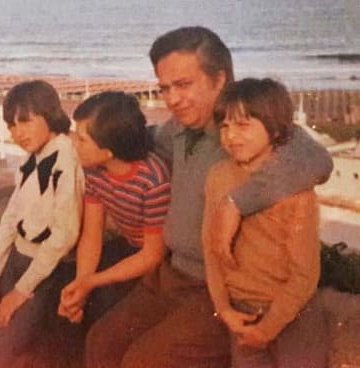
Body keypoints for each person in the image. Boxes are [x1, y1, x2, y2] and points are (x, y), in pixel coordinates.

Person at [84, 26, 333, 368]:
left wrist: (237, 202)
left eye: (183, 85)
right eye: (164, 88)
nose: (172, 99)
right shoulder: (180, 128)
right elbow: (139, 140)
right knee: (102, 342)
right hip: (170, 276)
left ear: (220, 80)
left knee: (145, 361)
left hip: (219, 288)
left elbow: (317, 159)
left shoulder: (254, 134)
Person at [203, 78, 327, 368]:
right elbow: (211, 248)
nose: (231, 136)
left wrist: (267, 329)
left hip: (294, 317)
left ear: (274, 128)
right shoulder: (218, 177)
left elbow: (305, 274)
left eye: (243, 125)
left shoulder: (295, 188)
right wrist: (223, 308)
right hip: (241, 313)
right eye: (224, 126)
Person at [0, 80, 84, 368]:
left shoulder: (66, 157)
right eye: (11, 125)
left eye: (25, 121)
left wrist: (21, 291)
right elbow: (10, 219)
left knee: (0, 355)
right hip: (15, 263)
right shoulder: (31, 158)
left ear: (50, 114)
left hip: (42, 275)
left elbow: (65, 234)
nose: (17, 133)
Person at [58, 91, 171, 326]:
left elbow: (152, 255)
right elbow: (92, 234)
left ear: (108, 151)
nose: (73, 143)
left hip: (158, 259)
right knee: (64, 289)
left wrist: (92, 283)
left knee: (106, 305)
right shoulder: (95, 170)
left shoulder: (153, 180)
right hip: (129, 247)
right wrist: (81, 284)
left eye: (81, 139)